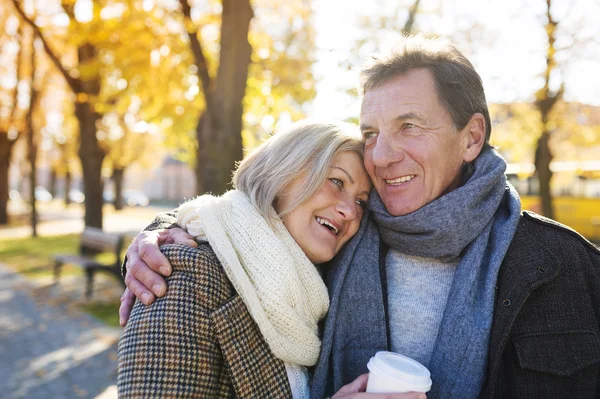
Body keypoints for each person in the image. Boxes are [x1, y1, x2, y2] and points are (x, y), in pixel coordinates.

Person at [120, 35, 600, 398]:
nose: (382, 156)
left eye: (408, 126)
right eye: (371, 132)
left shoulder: (562, 264)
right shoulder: (343, 234)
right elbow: (250, 227)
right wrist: (160, 235)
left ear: (471, 138)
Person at [118, 120, 422, 399]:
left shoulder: (312, 293)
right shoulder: (184, 277)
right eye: (337, 182)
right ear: (282, 174)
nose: (350, 211)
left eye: (360, 202)